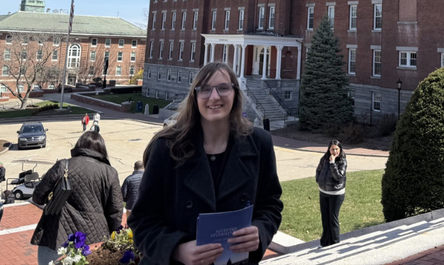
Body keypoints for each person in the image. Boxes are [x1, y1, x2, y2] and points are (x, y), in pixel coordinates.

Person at [128, 62, 283, 265]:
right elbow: (142, 221)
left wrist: (260, 231)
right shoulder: (167, 148)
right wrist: (177, 249)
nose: (214, 97)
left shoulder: (259, 143)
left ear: (235, 93)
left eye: (223, 88)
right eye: (205, 89)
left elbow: (270, 204)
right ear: (195, 96)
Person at [31, 131, 124, 265]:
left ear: (79, 146)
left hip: (57, 234)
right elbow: (115, 212)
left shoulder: (63, 165)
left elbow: (38, 197)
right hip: (95, 238)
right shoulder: (110, 173)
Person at [315, 140, 347, 246]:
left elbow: (338, 177)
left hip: (336, 194)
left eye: (336, 149)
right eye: (332, 149)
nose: (334, 151)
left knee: (333, 220)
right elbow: (318, 170)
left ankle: (335, 243)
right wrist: (319, 180)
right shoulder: (324, 159)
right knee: (325, 218)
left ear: (340, 149)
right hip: (323, 192)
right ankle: (324, 243)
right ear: (329, 149)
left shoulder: (342, 161)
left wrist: (333, 163)